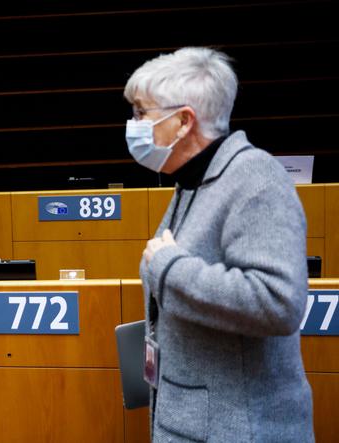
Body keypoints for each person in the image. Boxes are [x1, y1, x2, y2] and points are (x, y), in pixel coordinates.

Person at [124, 47, 314, 442]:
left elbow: (278, 302)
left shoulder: (255, 179)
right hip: (196, 422)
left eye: (142, 113)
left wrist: (170, 268)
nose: (134, 124)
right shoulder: (195, 182)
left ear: (183, 121)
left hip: (241, 428)